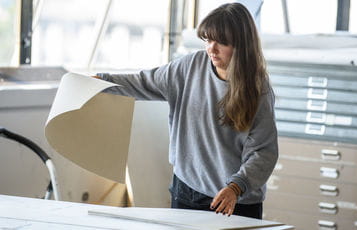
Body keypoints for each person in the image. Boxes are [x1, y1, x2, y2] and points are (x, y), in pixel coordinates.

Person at [95, 3, 278, 219]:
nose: (211, 48)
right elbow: (144, 82)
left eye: (221, 43)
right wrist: (102, 82)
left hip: (231, 199)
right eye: (208, 40)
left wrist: (236, 187)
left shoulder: (258, 90)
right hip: (186, 189)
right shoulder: (189, 67)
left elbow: (263, 153)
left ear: (241, 45)